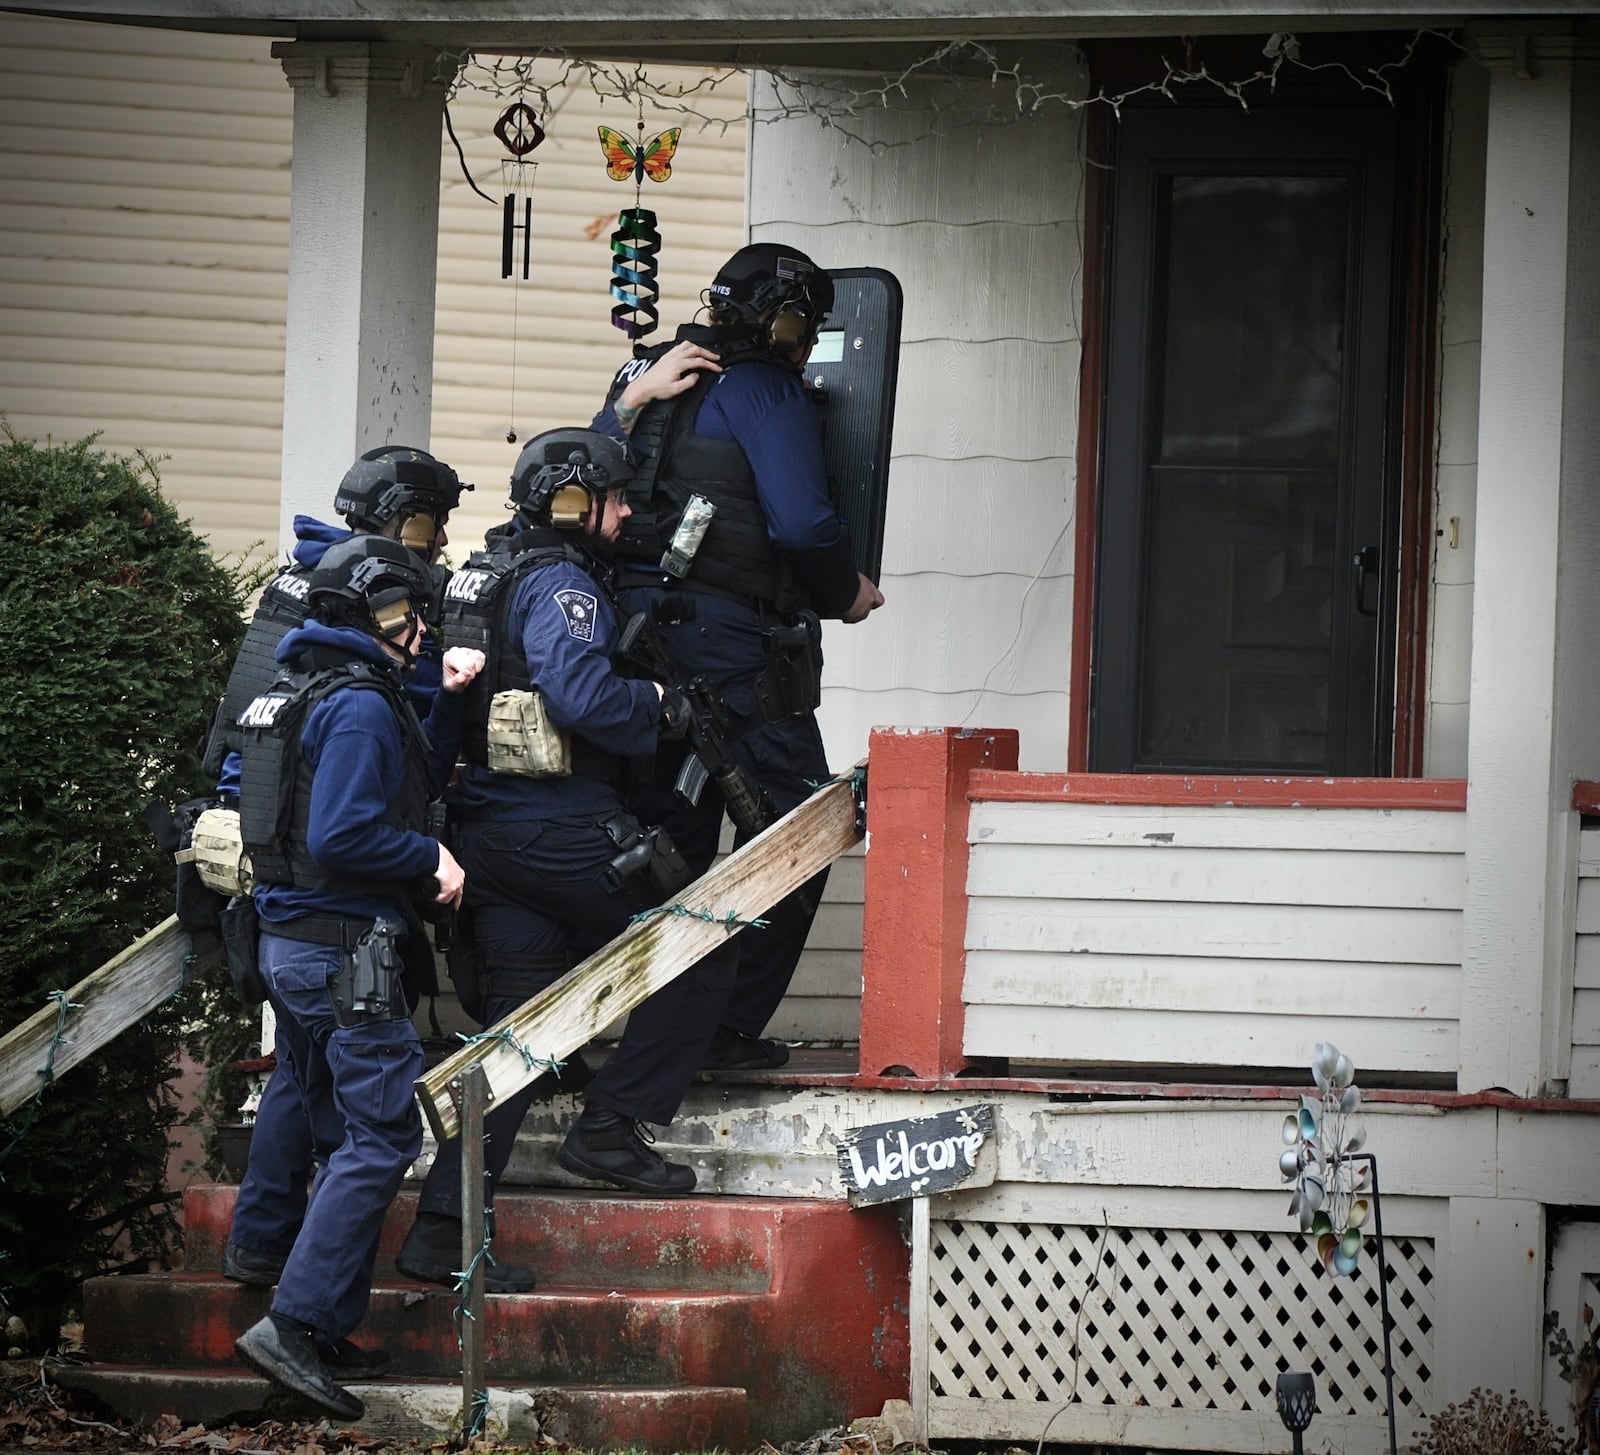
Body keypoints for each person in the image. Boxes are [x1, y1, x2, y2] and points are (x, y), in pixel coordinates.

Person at [394, 426, 709, 1287]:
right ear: (573, 501)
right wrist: (659, 705)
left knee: (518, 1037)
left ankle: (441, 1233)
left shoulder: (476, 573)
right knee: (705, 942)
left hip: (481, 833)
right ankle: (611, 1128)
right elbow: (582, 699)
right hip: (559, 825)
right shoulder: (564, 583)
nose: (626, 513)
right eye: (613, 499)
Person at [592, 241, 884, 1071]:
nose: (804, 342)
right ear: (779, 321)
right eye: (801, 324)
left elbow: (571, 476)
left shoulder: (642, 378)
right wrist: (843, 592)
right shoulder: (765, 391)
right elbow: (802, 526)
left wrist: (629, 401)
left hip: (635, 650)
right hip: (733, 654)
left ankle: (660, 1047)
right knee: (801, 831)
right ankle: (715, 1036)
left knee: (670, 848)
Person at [231, 535, 483, 1422]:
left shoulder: (289, 691)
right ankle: (291, 1326)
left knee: (339, 1134)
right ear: (372, 612)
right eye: (406, 612)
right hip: (344, 955)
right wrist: (431, 854)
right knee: (379, 1138)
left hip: (287, 948)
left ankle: (325, 1327)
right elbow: (342, 836)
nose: (417, 629)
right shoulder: (362, 706)